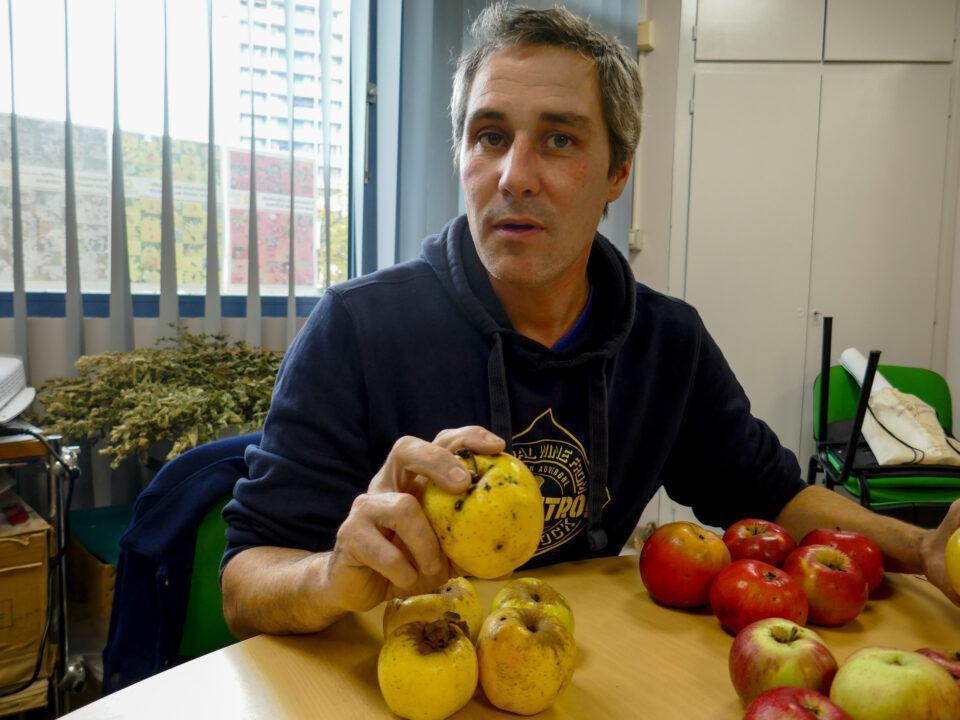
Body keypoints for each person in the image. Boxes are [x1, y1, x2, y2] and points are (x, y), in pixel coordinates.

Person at [220, 3, 960, 639]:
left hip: (584, 671)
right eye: (489, 136)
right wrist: (328, 580)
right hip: (414, 676)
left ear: (617, 174)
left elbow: (775, 497)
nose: (514, 176)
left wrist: (923, 548)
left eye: (560, 138)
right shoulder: (357, 330)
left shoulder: (667, 342)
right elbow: (245, 580)